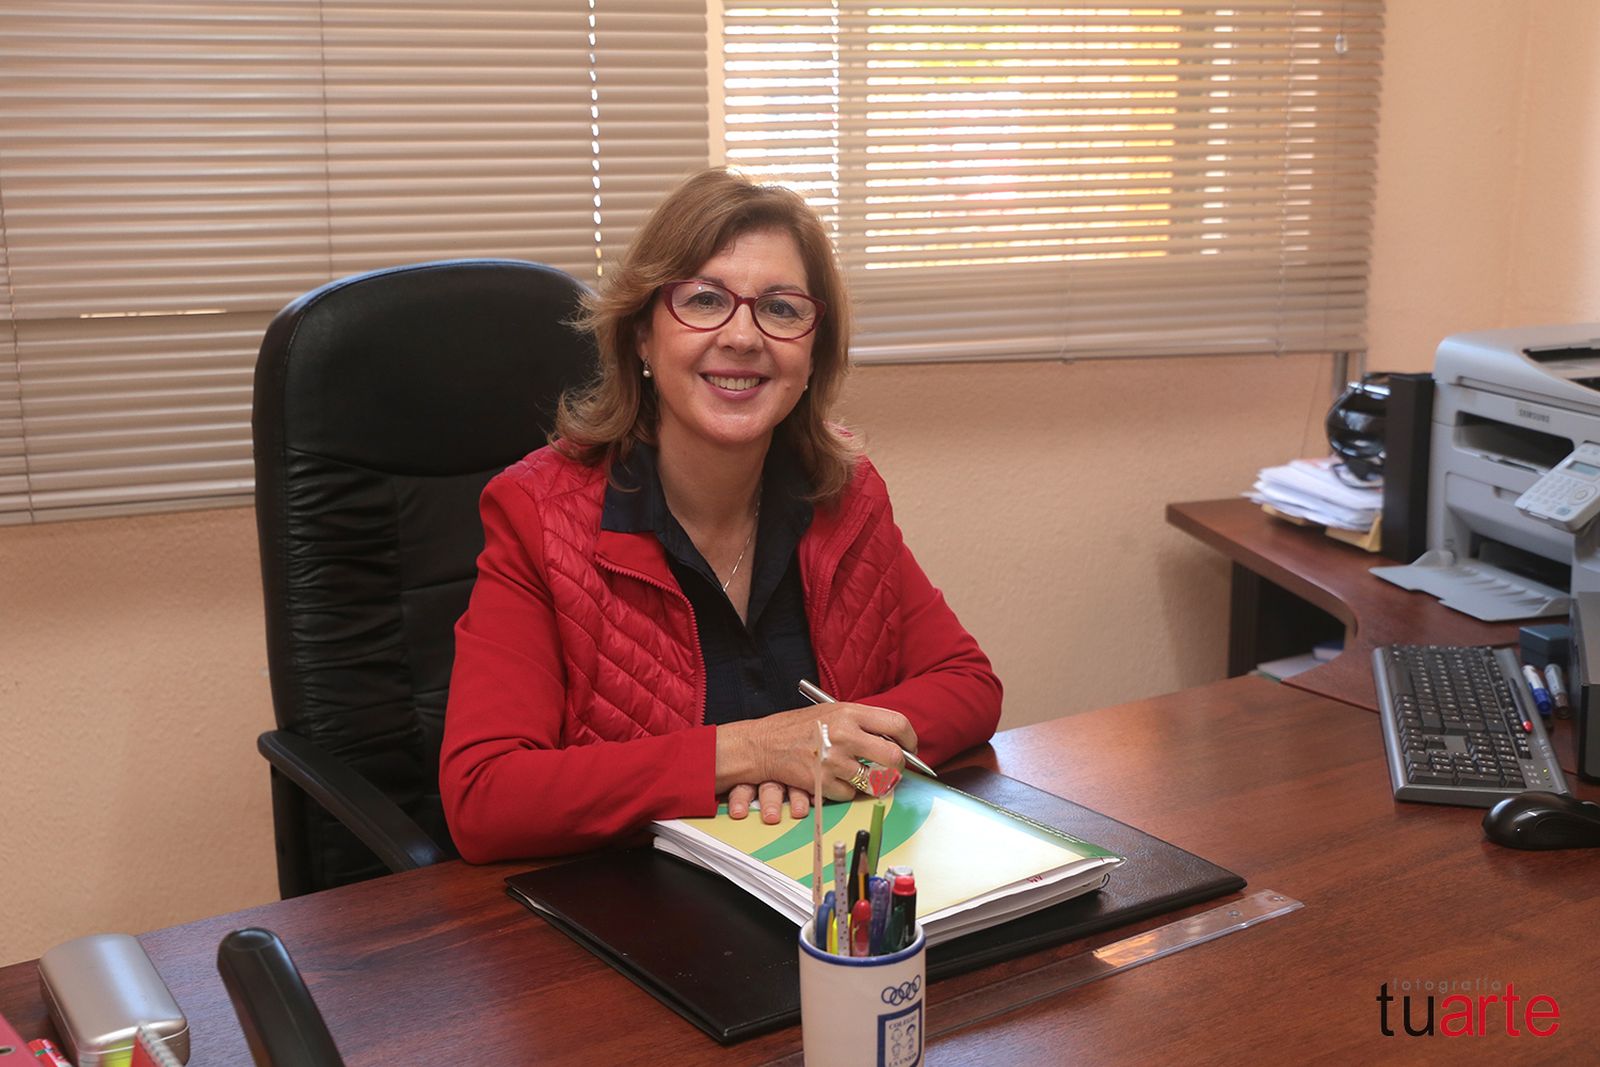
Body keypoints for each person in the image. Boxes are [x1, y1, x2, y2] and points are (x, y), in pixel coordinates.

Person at [440, 168, 1001, 861]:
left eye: (782, 308)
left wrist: (834, 746)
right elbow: (485, 794)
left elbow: (969, 685)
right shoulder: (537, 514)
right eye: (704, 300)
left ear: (812, 350)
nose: (742, 337)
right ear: (642, 336)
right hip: (632, 908)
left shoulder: (843, 493)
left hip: (821, 883)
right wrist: (746, 751)